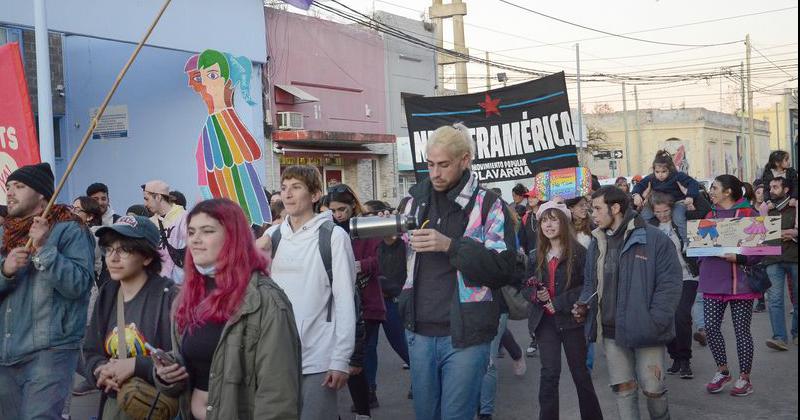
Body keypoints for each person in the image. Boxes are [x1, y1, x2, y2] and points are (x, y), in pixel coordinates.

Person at [378, 124, 516, 420]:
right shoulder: (412, 202)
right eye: (430, 164)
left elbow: (504, 269)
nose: (435, 173)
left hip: (466, 335)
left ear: (464, 160)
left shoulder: (489, 205)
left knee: (456, 415)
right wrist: (389, 245)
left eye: (444, 165)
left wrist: (450, 246)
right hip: (418, 333)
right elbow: (394, 277)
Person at [154, 198, 301, 419]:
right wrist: (167, 376)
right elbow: (190, 370)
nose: (195, 240)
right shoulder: (187, 297)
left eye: (207, 231)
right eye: (192, 232)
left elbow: (278, 397)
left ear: (233, 237)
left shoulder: (265, 301)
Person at [572, 186, 681, 420]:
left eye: (598, 208)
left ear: (616, 208)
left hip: (647, 330)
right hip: (612, 332)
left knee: (654, 390)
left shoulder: (654, 239)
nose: (593, 214)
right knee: (623, 389)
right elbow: (591, 283)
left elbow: (670, 284)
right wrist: (584, 304)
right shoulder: (597, 240)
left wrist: (656, 321)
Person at [260, 165, 356, 420]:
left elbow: (346, 301)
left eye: (296, 187)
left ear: (314, 195)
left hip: (318, 358)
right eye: (283, 188)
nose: (287, 194)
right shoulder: (272, 236)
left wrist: (340, 359)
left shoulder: (333, 237)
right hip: (276, 358)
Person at [0, 163, 95, 419]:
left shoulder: (70, 229)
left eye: (19, 187)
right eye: (8, 187)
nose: (10, 192)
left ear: (42, 195)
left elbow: (79, 285)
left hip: (50, 351)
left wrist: (44, 249)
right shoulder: (5, 233)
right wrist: (5, 272)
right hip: (6, 352)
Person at [83, 215, 178, 418]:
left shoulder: (169, 297)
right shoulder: (108, 293)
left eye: (124, 250)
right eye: (109, 249)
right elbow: (91, 351)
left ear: (147, 257)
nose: (113, 258)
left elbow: (180, 360)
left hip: (154, 406)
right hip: (115, 406)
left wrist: (136, 366)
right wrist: (100, 370)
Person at [521, 201, 603, 420]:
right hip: (544, 323)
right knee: (549, 374)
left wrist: (558, 302)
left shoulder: (579, 252)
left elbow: (588, 285)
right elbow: (523, 285)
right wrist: (534, 295)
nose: (548, 225)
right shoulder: (533, 254)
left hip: (572, 321)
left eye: (553, 219)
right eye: (544, 220)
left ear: (564, 222)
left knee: (580, 374)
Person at [184, 50, 271, 226]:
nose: (204, 86)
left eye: (212, 76)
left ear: (227, 82)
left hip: (236, 216)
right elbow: (206, 180)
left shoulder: (223, 122)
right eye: (201, 78)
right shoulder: (212, 126)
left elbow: (248, 155)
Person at [698, 175, 762, 396]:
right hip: (712, 281)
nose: (711, 191)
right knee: (711, 328)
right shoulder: (710, 214)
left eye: (714, 188)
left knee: (741, 331)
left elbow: (759, 252)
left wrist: (740, 258)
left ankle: (745, 378)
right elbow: (700, 243)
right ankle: (722, 371)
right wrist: (699, 254)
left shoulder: (749, 214)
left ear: (727, 192)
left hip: (740, 284)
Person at [326, 183, 385, 415]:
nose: (337, 214)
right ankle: (363, 402)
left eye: (341, 209)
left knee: (361, 356)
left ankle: (367, 397)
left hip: (368, 302)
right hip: (340, 303)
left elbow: (382, 260)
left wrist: (359, 265)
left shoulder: (366, 225)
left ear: (353, 205)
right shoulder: (329, 228)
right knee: (347, 358)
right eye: (333, 210)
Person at [649, 192, 700, 379]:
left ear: (672, 208)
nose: (662, 215)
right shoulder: (649, 227)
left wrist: (691, 206)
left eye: (666, 210)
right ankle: (675, 357)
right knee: (666, 319)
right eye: (658, 211)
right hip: (662, 281)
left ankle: (685, 359)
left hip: (687, 276)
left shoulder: (681, 224)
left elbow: (702, 214)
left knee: (681, 316)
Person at [631, 150, 701, 241]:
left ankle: (687, 241)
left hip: (677, 202)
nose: (660, 175)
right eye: (657, 172)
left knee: (678, 218)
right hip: (656, 204)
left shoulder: (678, 176)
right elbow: (639, 185)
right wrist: (636, 195)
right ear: (654, 170)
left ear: (670, 169)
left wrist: (690, 196)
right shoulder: (651, 178)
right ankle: (644, 239)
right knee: (644, 216)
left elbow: (693, 183)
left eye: (664, 171)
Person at [763, 177, 798, 350]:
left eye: (775, 187)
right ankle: (779, 338)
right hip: (773, 258)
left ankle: (797, 333)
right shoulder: (766, 210)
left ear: (786, 190)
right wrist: (786, 232)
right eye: (770, 187)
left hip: (794, 257)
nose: (771, 190)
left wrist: (794, 233)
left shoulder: (795, 206)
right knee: (775, 300)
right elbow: (758, 232)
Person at [142, 180, 188, 283]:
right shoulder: (149, 224)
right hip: (159, 285)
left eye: (147, 199)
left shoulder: (185, 217)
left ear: (158, 197)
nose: (145, 204)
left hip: (184, 283)